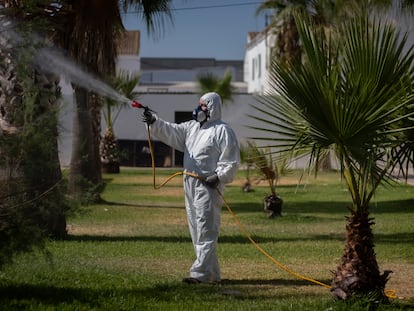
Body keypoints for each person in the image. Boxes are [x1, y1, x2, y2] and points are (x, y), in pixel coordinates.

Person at [142, 92, 240, 284]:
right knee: (196, 229)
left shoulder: (222, 130)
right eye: (199, 105)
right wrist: (154, 121)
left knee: (205, 229)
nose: (199, 109)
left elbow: (231, 160)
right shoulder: (192, 128)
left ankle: (201, 274)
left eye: (203, 106)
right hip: (190, 184)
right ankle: (210, 273)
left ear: (212, 108)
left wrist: (218, 176)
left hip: (208, 186)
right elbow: (171, 131)